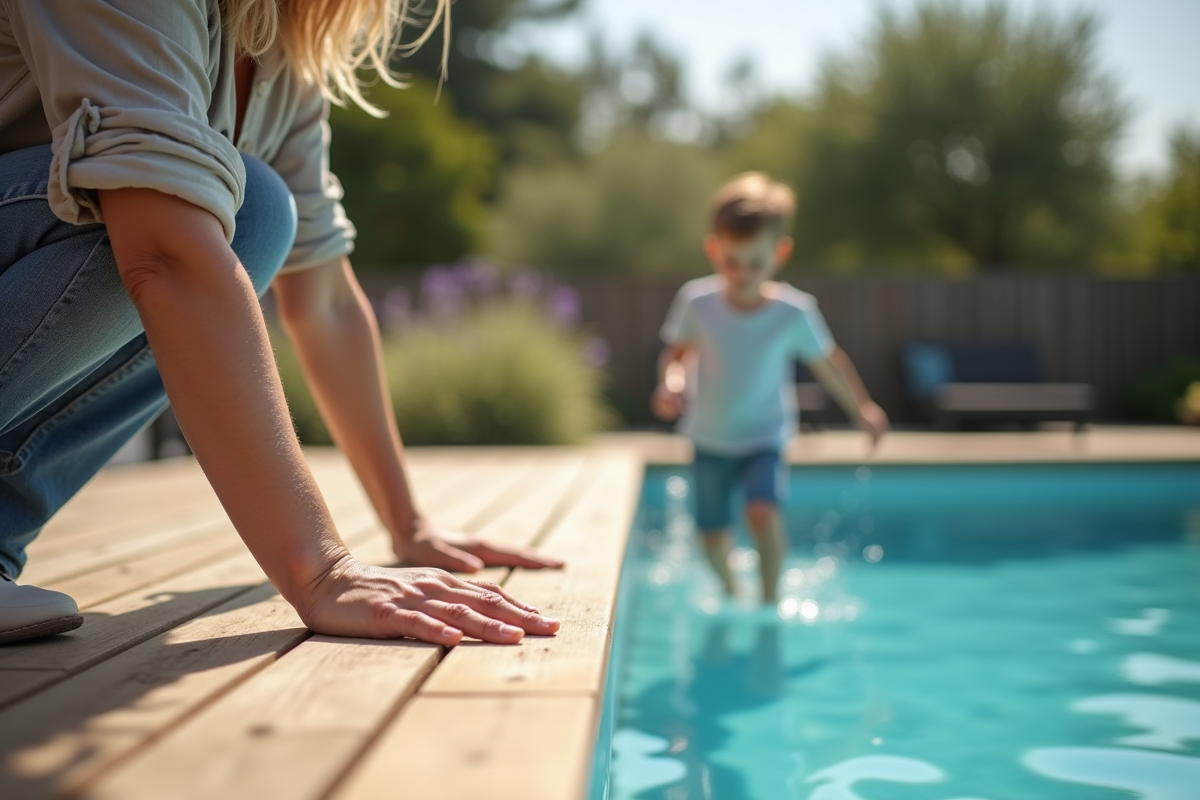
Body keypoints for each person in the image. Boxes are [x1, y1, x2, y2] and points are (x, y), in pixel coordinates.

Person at [0, 0, 561, 646]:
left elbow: (324, 299)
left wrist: (409, 526)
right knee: (181, 203)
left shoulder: (282, 48)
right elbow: (168, 255)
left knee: (259, 213)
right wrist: (322, 570)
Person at [651, 173, 889, 605]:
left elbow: (828, 363)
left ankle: (769, 602)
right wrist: (672, 382)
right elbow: (677, 353)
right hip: (709, 437)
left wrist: (863, 407)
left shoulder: (793, 312)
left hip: (765, 436)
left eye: (754, 262)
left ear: (779, 253)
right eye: (730, 261)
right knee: (710, 536)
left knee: (763, 512)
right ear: (713, 250)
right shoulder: (697, 302)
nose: (741, 273)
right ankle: (729, 591)